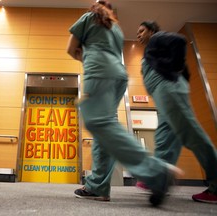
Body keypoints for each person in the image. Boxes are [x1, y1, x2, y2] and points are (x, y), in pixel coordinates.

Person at [67, 0, 183, 207]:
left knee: (97, 123)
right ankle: (97, 186)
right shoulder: (116, 28)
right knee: (104, 128)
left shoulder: (88, 18)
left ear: (95, 7)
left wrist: (87, 57)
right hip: (119, 76)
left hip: (99, 71)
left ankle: (156, 172)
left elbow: (70, 48)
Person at [136, 21, 217, 204]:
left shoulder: (157, 38)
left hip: (168, 90)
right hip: (164, 94)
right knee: (165, 138)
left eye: (142, 31)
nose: (139, 35)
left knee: (191, 133)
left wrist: (175, 69)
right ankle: (159, 178)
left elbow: (179, 40)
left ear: (151, 31)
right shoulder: (151, 48)